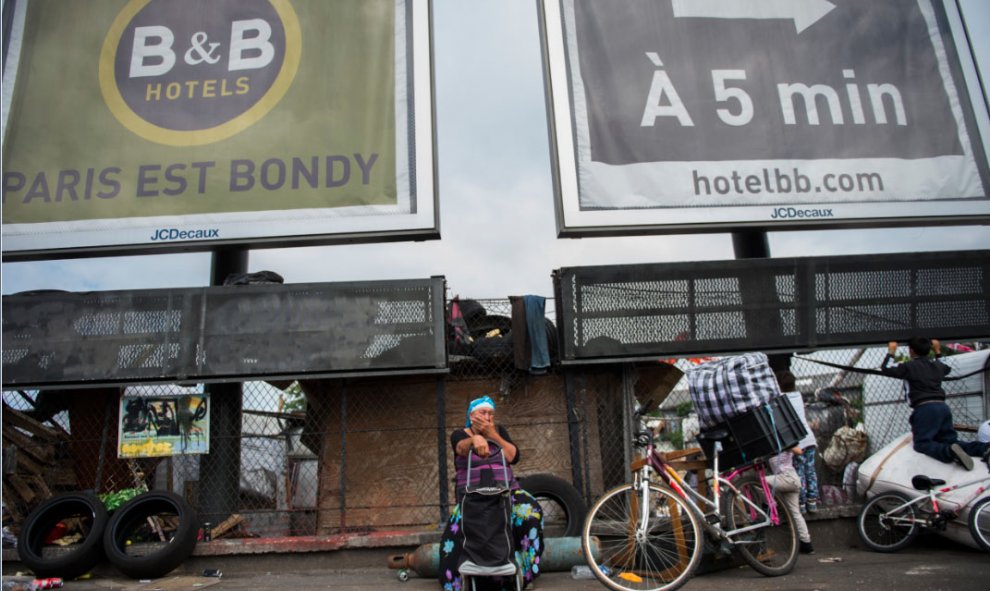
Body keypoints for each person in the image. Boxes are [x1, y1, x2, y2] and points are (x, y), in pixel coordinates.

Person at [438, 396, 543, 591]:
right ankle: (459, 579)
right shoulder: (459, 434)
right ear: (471, 415)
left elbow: (513, 456)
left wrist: (492, 434)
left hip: (507, 493)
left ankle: (525, 572)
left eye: (491, 414)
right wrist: (475, 439)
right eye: (482, 412)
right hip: (473, 498)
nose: (487, 417)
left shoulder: (499, 432)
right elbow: (460, 448)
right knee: (456, 531)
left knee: (531, 514)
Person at [879, 338, 988, 470]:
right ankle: (984, 448)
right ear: (928, 349)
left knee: (922, 443)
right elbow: (946, 368)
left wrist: (891, 352)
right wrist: (937, 351)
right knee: (951, 440)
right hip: (942, 407)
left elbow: (886, 369)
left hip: (924, 408)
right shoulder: (937, 366)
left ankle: (949, 452)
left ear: (911, 351)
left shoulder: (908, 367)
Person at [776, 370, 819, 513]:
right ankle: (812, 502)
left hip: (797, 441)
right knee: (810, 471)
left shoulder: (781, 398)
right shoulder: (799, 395)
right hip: (809, 438)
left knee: (799, 471)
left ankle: (801, 503)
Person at [765, 448, 815, 554]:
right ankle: (806, 544)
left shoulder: (783, 443)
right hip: (788, 481)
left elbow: (799, 450)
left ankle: (769, 504)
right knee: (795, 513)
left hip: (788, 478)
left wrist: (786, 444)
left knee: (760, 483)